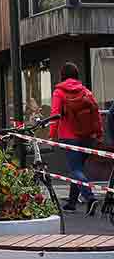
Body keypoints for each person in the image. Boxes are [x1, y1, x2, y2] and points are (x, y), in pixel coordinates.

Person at [49, 61, 102, 211]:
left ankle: (90, 198)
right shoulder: (85, 91)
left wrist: (52, 135)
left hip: (69, 137)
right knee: (78, 168)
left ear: (62, 76)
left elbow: (55, 115)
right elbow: (96, 113)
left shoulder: (59, 92)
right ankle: (72, 203)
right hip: (87, 137)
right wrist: (99, 133)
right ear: (77, 75)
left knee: (75, 169)